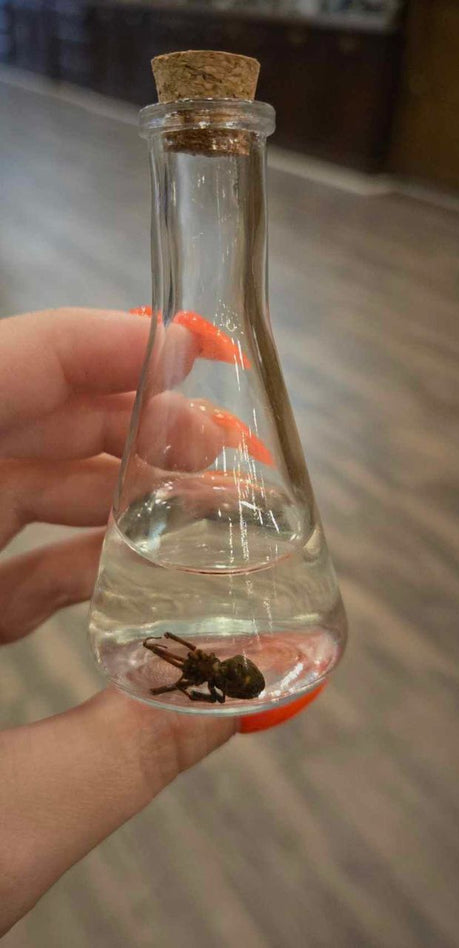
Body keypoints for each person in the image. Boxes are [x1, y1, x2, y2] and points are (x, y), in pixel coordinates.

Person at [0, 308, 237, 936]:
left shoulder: (202, 665)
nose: (192, 662)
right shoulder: (196, 660)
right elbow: (183, 656)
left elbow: (187, 660)